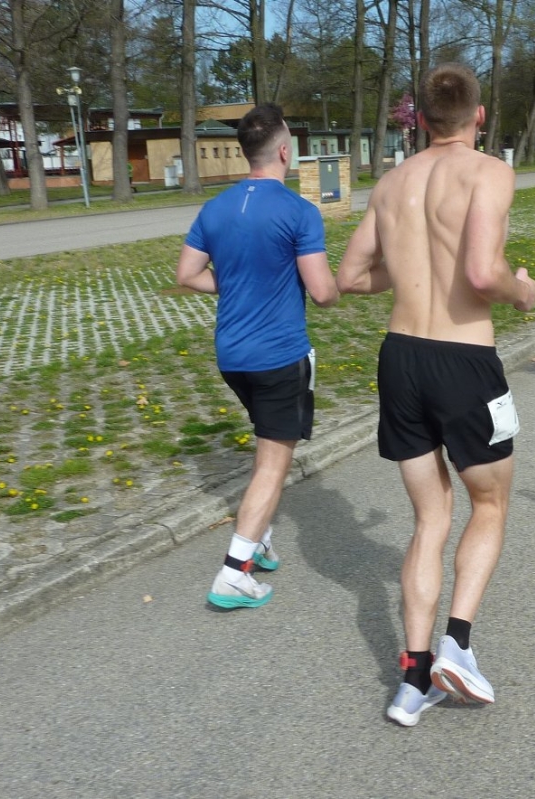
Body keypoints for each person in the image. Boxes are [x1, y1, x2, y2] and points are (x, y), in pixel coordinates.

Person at [337, 62, 535, 727]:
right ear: (479, 116)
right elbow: (483, 273)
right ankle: (458, 644)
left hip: (400, 359)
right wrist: (522, 291)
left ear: (419, 118)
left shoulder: (391, 183)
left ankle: (412, 679)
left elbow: (350, 275)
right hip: (463, 360)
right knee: (491, 502)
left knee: (429, 519)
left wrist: (412, 272)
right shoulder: (489, 171)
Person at [176, 103, 339, 610]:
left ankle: (260, 539)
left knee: (267, 448)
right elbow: (323, 293)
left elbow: (186, 274)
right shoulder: (299, 211)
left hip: (232, 357)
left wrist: (236, 287)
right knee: (273, 462)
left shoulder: (216, 207)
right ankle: (233, 573)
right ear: (285, 150)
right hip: (278, 357)